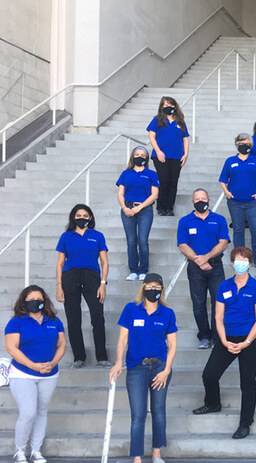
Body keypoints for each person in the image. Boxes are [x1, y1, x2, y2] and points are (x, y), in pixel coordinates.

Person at [108, 274, 178, 463]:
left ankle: (157, 453)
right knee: (138, 414)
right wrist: (118, 362)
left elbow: (172, 345)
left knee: (158, 410)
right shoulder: (131, 310)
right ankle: (136, 460)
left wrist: (166, 370)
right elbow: (122, 339)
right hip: (137, 368)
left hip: (160, 368)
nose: (153, 290)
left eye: (158, 287)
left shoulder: (167, 313)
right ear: (144, 287)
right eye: (150, 286)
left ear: (161, 290)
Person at [192, 247, 256, 440]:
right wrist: (224, 340)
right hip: (227, 337)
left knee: (247, 381)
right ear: (232, 263)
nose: (240, 263)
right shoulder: (224, 286)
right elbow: (218, 317)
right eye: (237, 260)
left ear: (249, 264)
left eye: (244, 260)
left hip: (251, 338)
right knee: (209, 374)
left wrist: (246, 342)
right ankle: (213, 403)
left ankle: (245, 422)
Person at [4, 286, 66, 463]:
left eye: (39, 299)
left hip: (49, 373)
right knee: (28, 412)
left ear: (44, 301)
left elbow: (62, 344)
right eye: (31, 299)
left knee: (41, 411)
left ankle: (36, 450)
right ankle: (19, 450)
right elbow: (11, 347)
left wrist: (53, 363)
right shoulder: (16, 322)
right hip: (23, 374)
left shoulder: (54, 321)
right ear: (24, 302)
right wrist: (32, 365)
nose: (35, 302)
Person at [55, 204, 109, 368]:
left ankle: (102, 357)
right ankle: (79, 357)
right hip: (70, 276)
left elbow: (105, 262)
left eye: (85, 215)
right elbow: (59, 263)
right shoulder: (66, 236)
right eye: (78, 215)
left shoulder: (97, 236)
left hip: (92, 277)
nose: (82, 218)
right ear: (73, 217)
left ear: (90, 218)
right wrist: (59, 285)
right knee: (73, 318)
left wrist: (103, 283)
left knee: (98, 316)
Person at [177, 188, 230, 349]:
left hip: (215, 266)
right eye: (197, 199)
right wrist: (198, 260)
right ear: (193, 202)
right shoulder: (185, 221)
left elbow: (223, 242)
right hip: (194, 268)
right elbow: (182, 244)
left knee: (219, 302)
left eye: (203, 198)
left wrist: (206, 257)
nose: (201, 201)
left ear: (209, 200)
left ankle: (217, 336)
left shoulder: (219, 220)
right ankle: (204, 336)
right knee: (198, 303)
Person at [219, 133, 256, 268]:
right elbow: (222, 180)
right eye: (241, 143)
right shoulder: (230, 161)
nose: (244, 146)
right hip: (235, 203)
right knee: (238, 230)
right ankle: (239, 259)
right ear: (236, 145)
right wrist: (226, 192)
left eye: (247, 143)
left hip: (254, 202)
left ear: (251, 145)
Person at [117, 145, 159, 280]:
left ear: (146, 158)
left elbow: (154, 195)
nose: (139, 157)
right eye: (137, 154)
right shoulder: (126, 173)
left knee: (142, 240)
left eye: (142, 154)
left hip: (144, 209)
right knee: (131, 240)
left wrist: (138, 208)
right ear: (132, 156)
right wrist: (124, 208)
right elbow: (120, 193)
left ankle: (143, 270)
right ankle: (133, 270)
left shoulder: (151, 174)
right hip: (127, 209)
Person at [147, 96, 190, 216]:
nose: (168, 107)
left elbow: (185, 138)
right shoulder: (157, 120)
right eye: (165, 105)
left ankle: (169, 208)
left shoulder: (180, 121)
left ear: (175, 106)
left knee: (173, 182)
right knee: (163, 180)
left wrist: (186, 154)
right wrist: (158, 151)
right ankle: (161, 207)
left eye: (170, 105)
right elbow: (151, 136)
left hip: (177, 156)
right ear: (161, 107)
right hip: (160, 156)